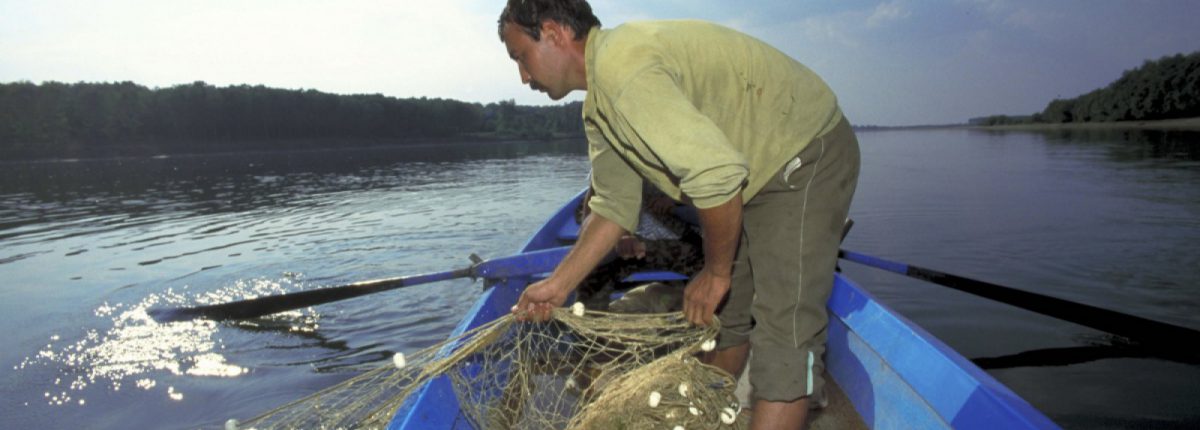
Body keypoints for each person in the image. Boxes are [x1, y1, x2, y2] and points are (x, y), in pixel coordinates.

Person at [498, 1, 860, 428]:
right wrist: (558, 286)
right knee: (728, 311)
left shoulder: (624, 71)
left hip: (804, 151)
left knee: (786, 328)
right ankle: (705, 411)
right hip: (752, 173)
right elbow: (612, 207)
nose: (523, 76)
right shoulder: (599, 107)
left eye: (521, 56)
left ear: (555, 32)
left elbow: (717, 176)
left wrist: (716, 270)